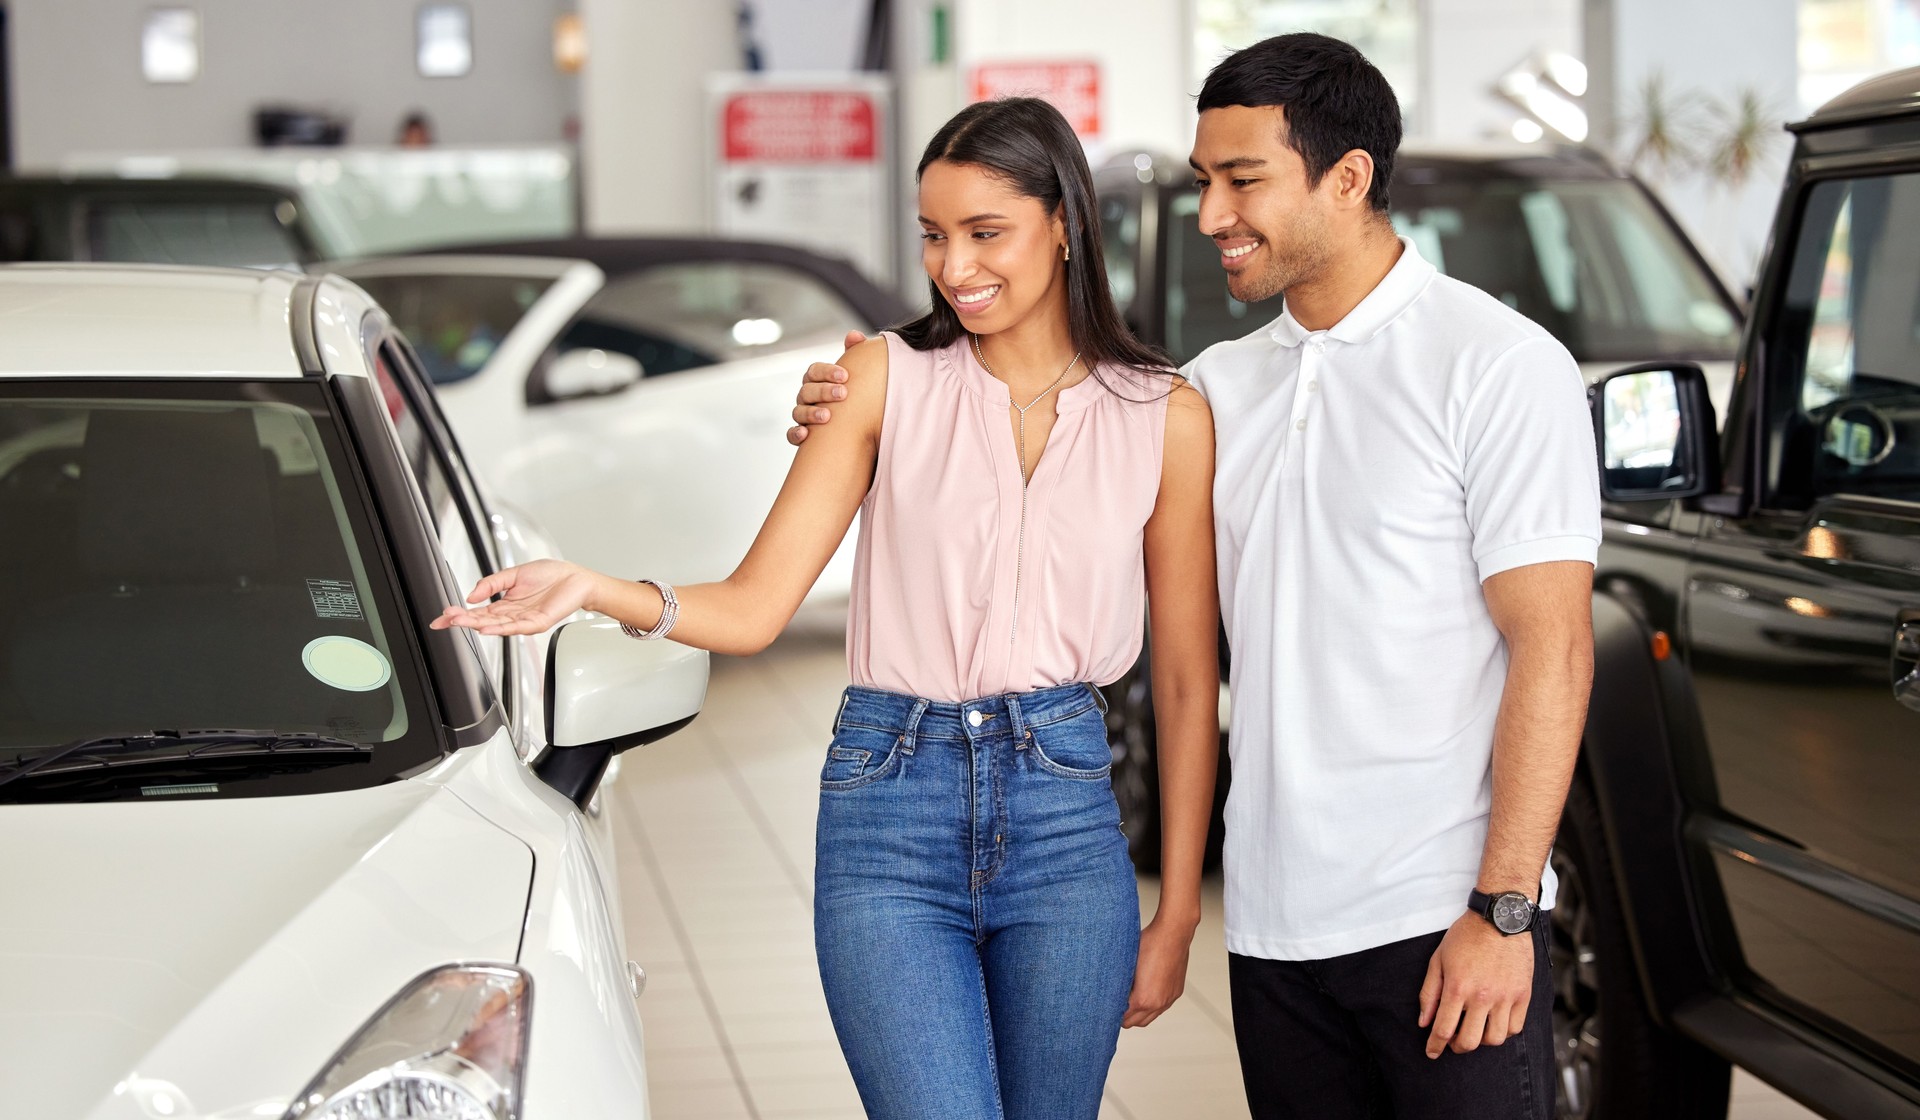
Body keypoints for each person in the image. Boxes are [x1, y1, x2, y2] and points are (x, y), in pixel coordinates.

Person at [786, 34, 1598, 1120]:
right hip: (1272, 931)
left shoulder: (1497, 365)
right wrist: (853, 415)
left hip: (1438, 917)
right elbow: (1153, 628)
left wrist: (1502, 909)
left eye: (1243, 181)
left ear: (1348, 179)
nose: (1211, 213)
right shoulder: (1216, 390)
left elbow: (1555, 645)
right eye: (1205, 179)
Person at [433, 96, 1220, 1120]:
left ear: (1064, 222)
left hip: (1068, 819)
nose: (956, 267)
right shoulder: (880, 380)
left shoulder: (1166, 416)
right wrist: (591, 588)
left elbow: (1185, 678)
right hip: (891, 806)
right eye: (935, 236)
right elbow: (757, 607)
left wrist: (1178, 913)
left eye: (987, 233)